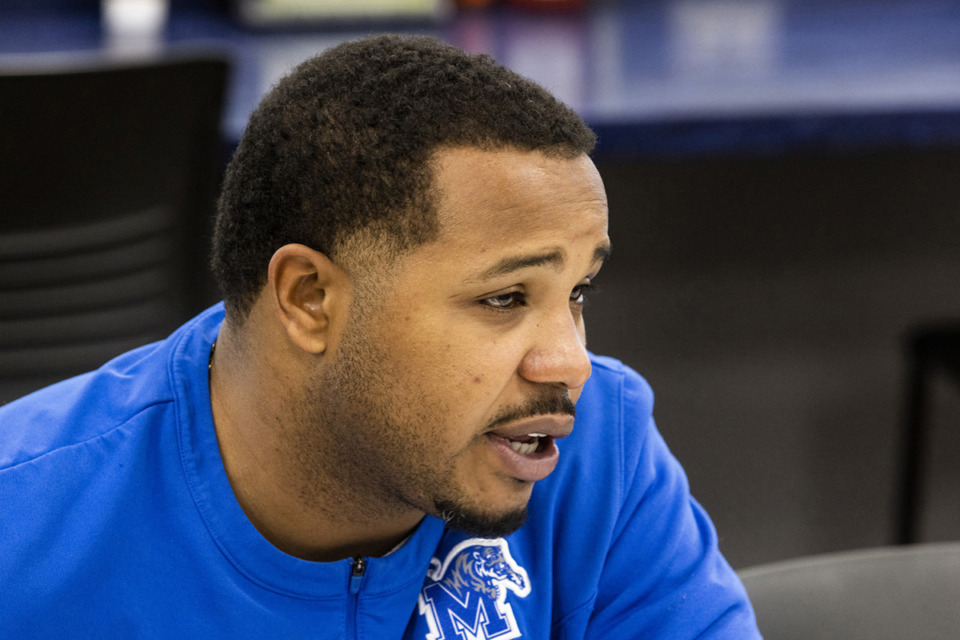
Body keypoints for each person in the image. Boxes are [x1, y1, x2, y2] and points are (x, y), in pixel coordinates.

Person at [0, 34, 760, 638]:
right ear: (308, 298)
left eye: (579, 291)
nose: (569, 364)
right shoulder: (24, 526)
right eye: (504, 298)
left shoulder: (604, 451)